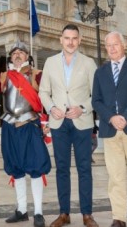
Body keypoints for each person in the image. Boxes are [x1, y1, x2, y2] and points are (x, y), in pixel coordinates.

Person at [0, 41, 51, 227]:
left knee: (36, 168)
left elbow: (49, 95)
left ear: (28, 56)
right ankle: (21, 210)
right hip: (10, 126)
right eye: (14, 53)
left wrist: (47, 120)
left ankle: (38, 212)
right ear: (10, 57)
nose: (18, 55)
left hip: (30, 125)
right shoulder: (4, 76)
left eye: (22, 52)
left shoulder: (37, 75)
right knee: (16, 168)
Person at [38, 24, 99, 227]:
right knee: (62, 168)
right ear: (60, 40)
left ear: (79, 40)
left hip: (81, 122)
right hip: (58, 122)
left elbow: (97, 94)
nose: (70, 42)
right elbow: (43, 92)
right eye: (67, 38)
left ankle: (87, 215)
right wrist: (51, 107)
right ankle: (64, 213)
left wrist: (82, 108)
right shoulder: (50, 62)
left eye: (74, 38)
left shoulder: (89, 63)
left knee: (84, 169)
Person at [91, 31, 127, 227]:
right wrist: (111, 118)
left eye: (115, 44)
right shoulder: (100, 72)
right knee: (115, 177)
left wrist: (126, 117)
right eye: (108, 45)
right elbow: (96, 101)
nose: (112, 48)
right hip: (110, 131)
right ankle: (119, 218)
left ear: (123, 45)